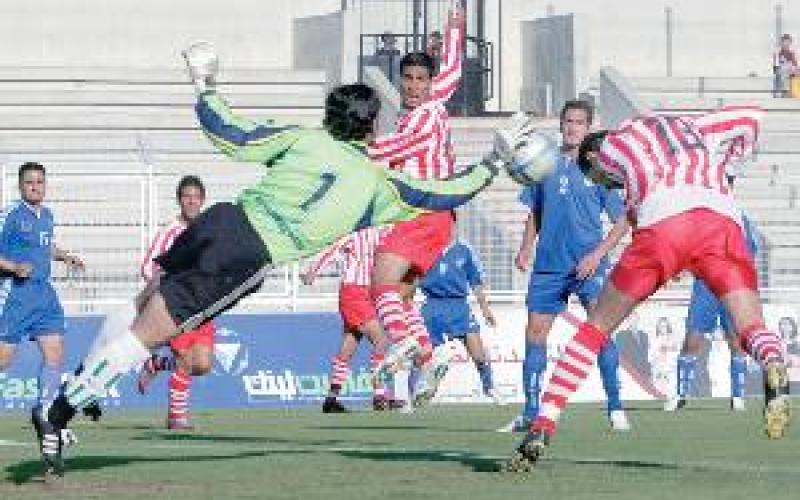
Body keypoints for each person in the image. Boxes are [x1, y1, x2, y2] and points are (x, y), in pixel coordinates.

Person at [29, 40, 529, 477]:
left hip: (220, 222)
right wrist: (493, 162)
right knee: (150, 336)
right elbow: (442, 195)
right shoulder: (378, 184)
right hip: (245, 257)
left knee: (147, 314)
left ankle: (76, 387)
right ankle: (59, 413)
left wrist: (204, 84)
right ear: (372, 126)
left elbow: (231, 135)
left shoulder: (301, 138)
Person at [507, 105, 792, 473]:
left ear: (594, 155)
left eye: (597, 176)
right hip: (722, 219)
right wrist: (729, 170)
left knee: (594, 328)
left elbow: (642, 214)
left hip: (665, 222)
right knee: (751, 326)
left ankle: (542, 425)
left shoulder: (611, 149)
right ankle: (773, 361)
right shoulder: (692, 124)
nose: (604, 182)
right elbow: (752, 117)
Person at [498, 100, 631, 434]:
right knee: (535, 333)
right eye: (568, 121)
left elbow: (622, 221)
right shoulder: (542, 163)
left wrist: (597, 256)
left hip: (588, 264)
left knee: (599, 333)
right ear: (561, 125)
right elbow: (535, 212)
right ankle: (530, 412)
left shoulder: (600, 168)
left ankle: (615, 408)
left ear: (588, 128)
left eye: (579, 122)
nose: (573, 127)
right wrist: (527, 245)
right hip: (549, 265)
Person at [368, 4, 465, 397]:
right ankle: (430, 356)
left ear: (429, 84)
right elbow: (453, 71)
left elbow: (393, 147)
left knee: (381, 285)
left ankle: (403, 342)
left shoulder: (423, 117)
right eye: (407, 78)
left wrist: (356, 147)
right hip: (432, 216)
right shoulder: (430, 103)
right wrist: (455, 27)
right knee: (403, 294)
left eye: (420, 79)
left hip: (422, 212)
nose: (412, 85)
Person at [0, 162, 86, 441]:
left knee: (55, 352)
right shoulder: (11, 214)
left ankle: (46, 411)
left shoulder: (47, 215)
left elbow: (43, 245)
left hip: (43, 295)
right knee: (3, 359)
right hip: (16, 295)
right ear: (20, 185)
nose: (35, 186)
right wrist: (13, 267)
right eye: (29, 182)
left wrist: (64, 256)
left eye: (39, 182)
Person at [135, 175, 216, 430]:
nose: (191, 201)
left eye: (196, 197)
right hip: (177, 307)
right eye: (186, 196)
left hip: (204, 307)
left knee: (202, 365)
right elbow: (148, 267)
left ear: (202, 200)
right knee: (185, 358)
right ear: (180, 200)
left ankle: (156, 363)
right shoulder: (169, 233)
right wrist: (170, 289)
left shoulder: (209, 230)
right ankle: (176, 418)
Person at [665, 206, 759, 412]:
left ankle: (738, 397)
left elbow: (752, 250)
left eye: (730, 181)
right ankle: (681, 394)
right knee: (692, 339)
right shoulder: (701, 214)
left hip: (732, 283)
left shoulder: (740, 217)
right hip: (706, 285)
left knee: (735, 340)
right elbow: (687, 248)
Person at [300, 226, 400, 413]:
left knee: (348, 347)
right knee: (381, 340)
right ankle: (380, 395)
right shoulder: (355, 234)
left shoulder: (383, 231)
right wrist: (313, 272)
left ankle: (331, 399)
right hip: (354, 292)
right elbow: (332, 249)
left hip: (365, 293)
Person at [414, 234, 503, 406]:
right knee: (421, 355)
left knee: (478, 352)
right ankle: (413, 396)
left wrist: (485, 308)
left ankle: (489, 386)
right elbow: (413, 277)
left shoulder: (464, 249)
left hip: (459, 306)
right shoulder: (425, 246)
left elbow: (475, 280)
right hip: (432, 306)